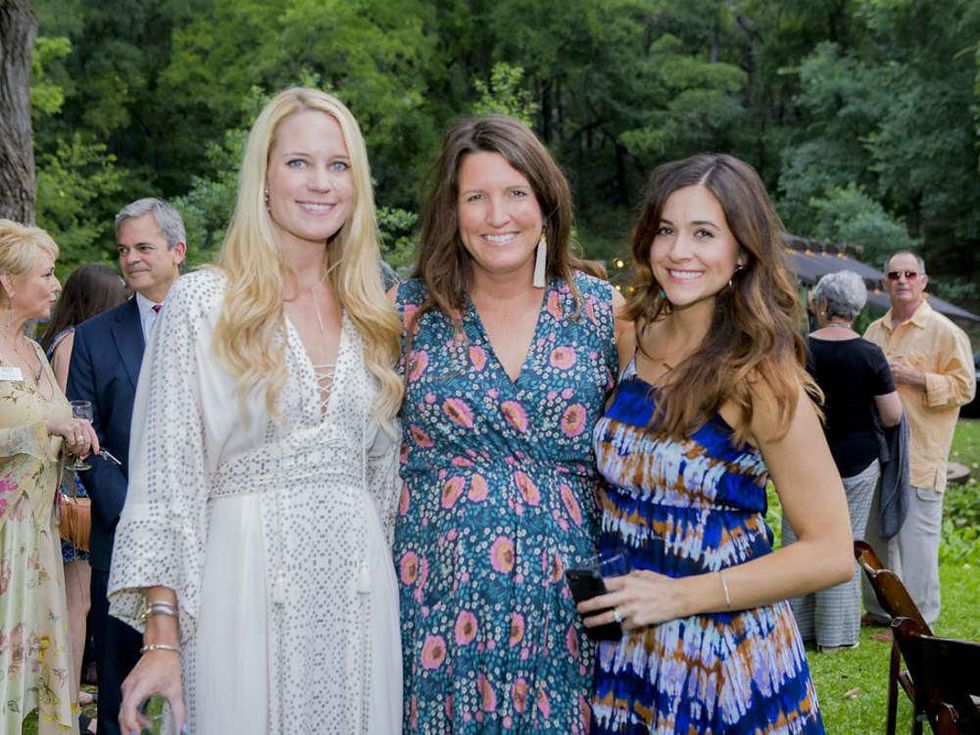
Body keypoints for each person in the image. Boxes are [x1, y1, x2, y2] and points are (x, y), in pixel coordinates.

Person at [109, 87, 404, 734]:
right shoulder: (202, 303)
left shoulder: (377, 315)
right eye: (298, 162)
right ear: (263, 179)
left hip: (361, 596)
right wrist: (161, 638)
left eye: (339, 164)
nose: (320, 182)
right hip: (239, 585)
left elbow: (387, 485)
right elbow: (166, 479)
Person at [579, 154, 854, 734]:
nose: (680, 251)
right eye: (667, 230)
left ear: (743, 253)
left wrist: (683, 597)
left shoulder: (760, 379)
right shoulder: (631, 335)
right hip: (630, 652)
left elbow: (831, 551)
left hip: (723, 658)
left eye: (705, 233)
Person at [393, 115, 632, 732]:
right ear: (452, 212)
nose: (497, 215)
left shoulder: (604, 312)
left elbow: (650, 449)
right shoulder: (406, 313)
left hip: (566, 608)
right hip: (436, 603)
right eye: (476, 197)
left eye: (515, 194)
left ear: (546, 207)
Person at [67, 198, 186, 735]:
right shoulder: (92, 337)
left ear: (177, 250)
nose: (131, 259)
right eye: (124, 250)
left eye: (144, 247)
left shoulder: (221, 322)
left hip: (205, 535)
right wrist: (132, 510)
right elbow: (83, 437)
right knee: (121, 697)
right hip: (120, 537)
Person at [1, 219, 99, 734]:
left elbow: (59, 423)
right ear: (8, 282)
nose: (57, 285)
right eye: (46, 273)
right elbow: (37, 426)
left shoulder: (36, 352)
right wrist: (44, 427)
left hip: (37, 535)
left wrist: (74, 437)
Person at [781, 270, 903, 652]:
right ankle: (837, 635)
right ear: (856, 309)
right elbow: (892, 415)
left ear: (821, 304)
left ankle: (798, 630)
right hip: (858, 461)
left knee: (798, 539)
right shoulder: (870, 353)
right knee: (844, 544)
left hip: (804, 460)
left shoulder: (798, 348)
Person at [862, 251, 974, 626]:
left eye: (910, 274)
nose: (902, 280)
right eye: (894, 275)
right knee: (878, 535)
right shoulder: (874, 332)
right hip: (877, 452)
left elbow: (966, 387)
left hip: (921, 453)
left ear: (923, 282)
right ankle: (881, 612)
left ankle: (920, 621)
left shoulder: (945, 332)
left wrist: (915, 378)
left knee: (917, 544)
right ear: (885, 283)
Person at [41, 263, 129, 731]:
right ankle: (72, 697)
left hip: (69, 480)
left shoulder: (55, 338)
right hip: (77, 483)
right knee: (79, 597)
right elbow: (76, 416)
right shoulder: (78, 341)